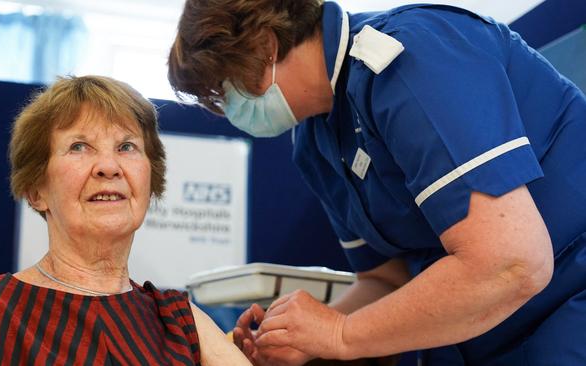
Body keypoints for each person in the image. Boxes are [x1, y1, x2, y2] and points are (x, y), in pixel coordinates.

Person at [167, 1, 586, 365]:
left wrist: (341, 334)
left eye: (224, 89)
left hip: (565, 304)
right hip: (474, 332)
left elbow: (510, 263)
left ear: (265, 46)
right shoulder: (314, 142)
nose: (230, 107)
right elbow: (386, 280)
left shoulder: (413, 57)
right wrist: (303, 338)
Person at [0, 75, 251, 366]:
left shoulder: (179, 319)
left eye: (126, 146)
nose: (109, 166)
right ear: (35, 190)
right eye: (79, 147)